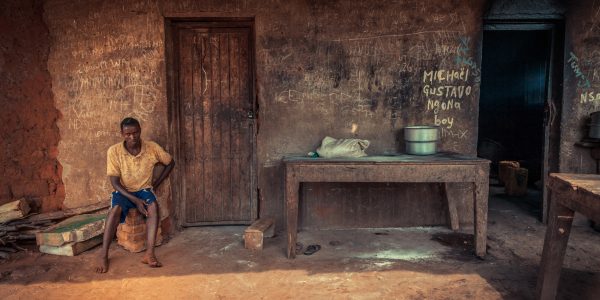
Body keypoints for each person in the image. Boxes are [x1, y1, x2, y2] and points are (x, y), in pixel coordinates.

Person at [95, 117, 175, 273]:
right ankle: (103, 255)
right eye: (127, 134)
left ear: (140, 130)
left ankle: (149, 254)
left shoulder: (151, 148)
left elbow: (170, 162)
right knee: (115, 210)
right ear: (122, 134)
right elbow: (115, 182)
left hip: (143, 189)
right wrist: (136, 201)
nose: (132, 137)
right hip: (123, 190)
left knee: (153, 207)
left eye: (135, 132)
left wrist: (156, 184)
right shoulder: (114, 151)